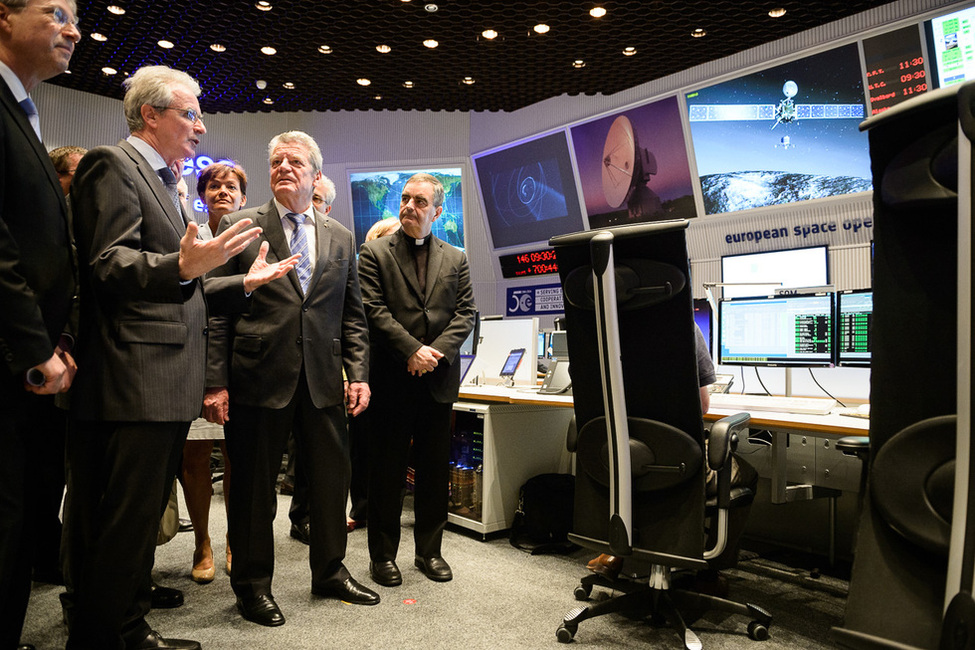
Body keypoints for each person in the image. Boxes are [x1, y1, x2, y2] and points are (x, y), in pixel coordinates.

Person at [63, 65, 299, 650]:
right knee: (123, 520)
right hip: (136, 378)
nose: (199, 125)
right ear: (151, 114)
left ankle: (128, 624)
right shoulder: (113, 165)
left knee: (138, 520)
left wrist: (241, 283)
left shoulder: (161, 179)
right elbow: (107, 265)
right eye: (189, 113)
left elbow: (184, 287)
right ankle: (105, 635)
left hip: (163, 378)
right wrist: (185, 265)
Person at [205, 131, 379, 628]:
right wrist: (214, 382)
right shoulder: (240, 224)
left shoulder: (341, 235)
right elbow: (215, 307)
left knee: (330, 483)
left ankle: (329, 570)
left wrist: (359, 374)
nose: (284, 167)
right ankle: (253, 586)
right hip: (258, 377)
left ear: (316, 175)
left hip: (324, 379)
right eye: (276, 160)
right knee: (255, 490)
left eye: (295, 161)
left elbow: (352, 316)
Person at [0, 2, 80, 648]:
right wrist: (35, 347)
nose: (73, 28)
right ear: (3, 14)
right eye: (56, 11)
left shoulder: (24, 109)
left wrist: (57, 342)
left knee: (18, 522)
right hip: (10, 360)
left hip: (31, 360)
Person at [357, 173, 476, 587]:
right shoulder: (373, 253)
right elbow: (373, 310)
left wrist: (433, 354)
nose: (409, 207)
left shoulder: (455, 258)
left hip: (436, 380)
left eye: (420, 202)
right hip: (391, 378)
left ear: (438, 212)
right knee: (386, 472)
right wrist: (412, 350)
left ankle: (430, 552)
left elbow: (465, 314)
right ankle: (383, 557)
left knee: (432, 471)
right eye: (405, 199)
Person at [586, 324, 758, 586]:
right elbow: (700, 406)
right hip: (676, 467)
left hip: (615, 462)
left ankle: (616, 551)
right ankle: (711, 570)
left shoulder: (597, 325)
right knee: (748, 474)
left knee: (640, 469)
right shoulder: (682, 325)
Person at [180, 162, 249, 584]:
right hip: (193, 358)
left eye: (231, 187)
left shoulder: (254, 236)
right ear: (201, 195)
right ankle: (202, 542)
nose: (222, 191)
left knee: (239, 456)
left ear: (243, 197)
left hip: (242, 359)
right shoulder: (190, 235)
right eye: (213, 185)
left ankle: (233, 541)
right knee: (195, 456)